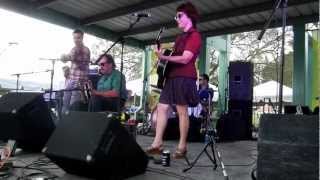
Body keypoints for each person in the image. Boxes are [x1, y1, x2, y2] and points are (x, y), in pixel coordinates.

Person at [146, 2, 201, 159]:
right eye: (175, 16)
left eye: (179, 16)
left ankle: (182, 146)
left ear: (189, 16)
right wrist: (162, 59)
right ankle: (157, 143)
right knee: (162, 108)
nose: (176, 19)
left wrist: (163, 56)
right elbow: (173, 58)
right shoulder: (179, 37)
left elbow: (185, 58)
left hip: (185, 77)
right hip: (172, 77)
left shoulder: (195, 36)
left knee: (182, 111)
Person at [61, 29, 91, 113]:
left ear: (82, 38)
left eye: (78, 38)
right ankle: (63, 122)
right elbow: (69, 58)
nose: (76, 40)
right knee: (65, 103)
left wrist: (70, 58)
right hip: (71, 80)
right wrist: (67, 69)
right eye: (74, 38)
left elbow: (82, 66)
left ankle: (72, 123)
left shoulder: (85, 50)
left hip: (79, 81)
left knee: (74, 106)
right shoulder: (73, 49)